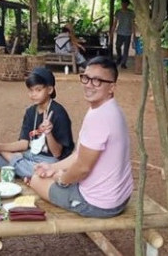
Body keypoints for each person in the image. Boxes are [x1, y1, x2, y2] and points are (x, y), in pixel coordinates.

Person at [29, 57, 133, 218]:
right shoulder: (109, 109)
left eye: (97, 81)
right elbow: (79, 155)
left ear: (112, 87)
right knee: (47, 172)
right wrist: (53, 168)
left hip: (99, 204)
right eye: (86, 78)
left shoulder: (99, 117)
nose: (89, 85)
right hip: (120, 197)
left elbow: (83, 168)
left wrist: (61, 179)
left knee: (36, 180)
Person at [0, 67, 74, 178]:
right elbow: (24, 143)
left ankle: (20, 166)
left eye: (38, 90)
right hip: (31, 156)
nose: (33, 94)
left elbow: (57, 153)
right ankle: (24, 169)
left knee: (37, 169)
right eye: (31, 90)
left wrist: (48, 133)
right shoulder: (30, 112)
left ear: (50, 90)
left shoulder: (59, 113)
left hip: (51, 161)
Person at [111, 0, 136, 68]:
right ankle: (119, 57)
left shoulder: (131, 13)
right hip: (119, 32)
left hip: (128, 33)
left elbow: (133, 24)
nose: (123, 5)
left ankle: (123, 63)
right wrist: (112, 32)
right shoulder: (118, 12)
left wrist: (134, 34)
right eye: (122, 4)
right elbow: (115, 23)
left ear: (127, 5)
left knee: (126, 49)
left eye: (125, 4)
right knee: (117, 46)